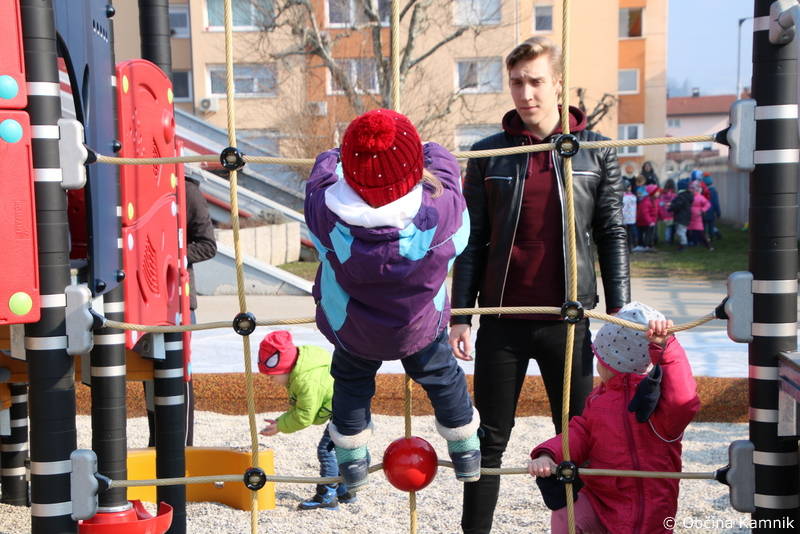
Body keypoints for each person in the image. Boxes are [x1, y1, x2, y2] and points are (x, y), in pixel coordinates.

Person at [448, 36, 630, 534]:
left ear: (558, 85)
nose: (525, 93)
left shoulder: (596, 150)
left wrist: (622, 314)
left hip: (568, 321)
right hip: (503, 319)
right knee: (487, 440)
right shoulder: (489, 154)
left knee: (576, 439)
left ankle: (578, 527)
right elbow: (471, 239)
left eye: (535, 81)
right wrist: (461, 315)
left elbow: (612, 233)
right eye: (516, 82)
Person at [304, 109, 480, 492]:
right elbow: (449, 178)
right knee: (443, 377)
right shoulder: (438, 214)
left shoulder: (327, 216)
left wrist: (332, 156)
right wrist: (430, 149)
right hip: (419, 327)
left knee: (350, 383)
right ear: (414, 168)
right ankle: (465, 449)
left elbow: (317, 182)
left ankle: (351, 461)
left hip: (355, 329)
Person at [528, 302, 700, 534]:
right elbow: (580, 433)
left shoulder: (657, 405)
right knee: (565, 510)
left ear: (607, 363)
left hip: (649, 509)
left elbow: (683, 400)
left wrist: (668, 349)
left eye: (599, 358)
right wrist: (549, 454)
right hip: (599, 500)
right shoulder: (599, 398)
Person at [145, 174, 217, 447]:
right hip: (146, 295)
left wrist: (171, 255)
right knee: (148, 370)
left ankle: (183, 443)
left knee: (178, 370)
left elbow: (207, 245)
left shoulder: (187, 191)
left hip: (177, 296)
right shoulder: (139, 186)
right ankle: (156, 439)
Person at [257, 330, 355, 510]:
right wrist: (281, 421)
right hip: (347, 405)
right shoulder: (305, 364)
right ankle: (344, 490)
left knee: (326, 450)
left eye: (272, 376)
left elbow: (304, 415)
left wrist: (280, 426)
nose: (271, 381)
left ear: (285, 368)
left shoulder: (305, 381)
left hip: (346, 411)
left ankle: (327, 495)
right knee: (339, 449)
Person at [687, 180, 713, 251]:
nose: (690, 190)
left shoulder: (700, 197)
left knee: (701, 233)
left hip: (697, 218)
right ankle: (691, 244)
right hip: (689, 217)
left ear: (696, 189)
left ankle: (708, 246)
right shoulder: (689, 196)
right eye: (690, 188)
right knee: (688, 232)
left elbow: (708, 204)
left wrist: (702, 210)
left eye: (692, 188)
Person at [668, 181, 694, 252]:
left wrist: (670, 208)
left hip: (682, 217)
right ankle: (682, 244)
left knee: (681, 232)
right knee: (681, 231)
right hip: (684, 216)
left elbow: (678, 205)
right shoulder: (686, 195)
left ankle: (683, 245)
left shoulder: (682, 196)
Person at [635, 182, 658, 251]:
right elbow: (645, 213)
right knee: (645, 234)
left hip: (650, 221)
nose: (658, 193)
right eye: (657, 192)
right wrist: (650, 222)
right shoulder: (646, 201)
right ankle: (644, 245)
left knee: (649, 233)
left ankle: (648, 245)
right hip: (644, 222)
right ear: (652, 193)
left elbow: (656, 210)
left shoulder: (653, 200)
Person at [702, 174, 722, 241]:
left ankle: (705, 238)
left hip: (703, 212)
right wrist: (718, 212)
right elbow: (716, 203)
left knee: (704, 226)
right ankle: (712, 237)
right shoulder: (714, 191)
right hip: (711, 212)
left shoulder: (702, 191)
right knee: (711, 226)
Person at [658, 178, 677, 244]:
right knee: (672, 226)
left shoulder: (663, 194)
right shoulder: (674, 195)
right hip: (672, 213)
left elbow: (660, 203)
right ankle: (670, 239)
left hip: (665, 213)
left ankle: (667, 239)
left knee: (667, 227)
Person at [622, 182, 637, 252]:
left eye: (630, 187)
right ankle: (624, 247)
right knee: (624, 233)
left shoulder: (633, 196)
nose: (629, 188)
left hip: (631, 217)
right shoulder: (622, 196)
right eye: (628, 187)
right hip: (624, 217)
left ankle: (630, 247)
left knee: (630, 233)